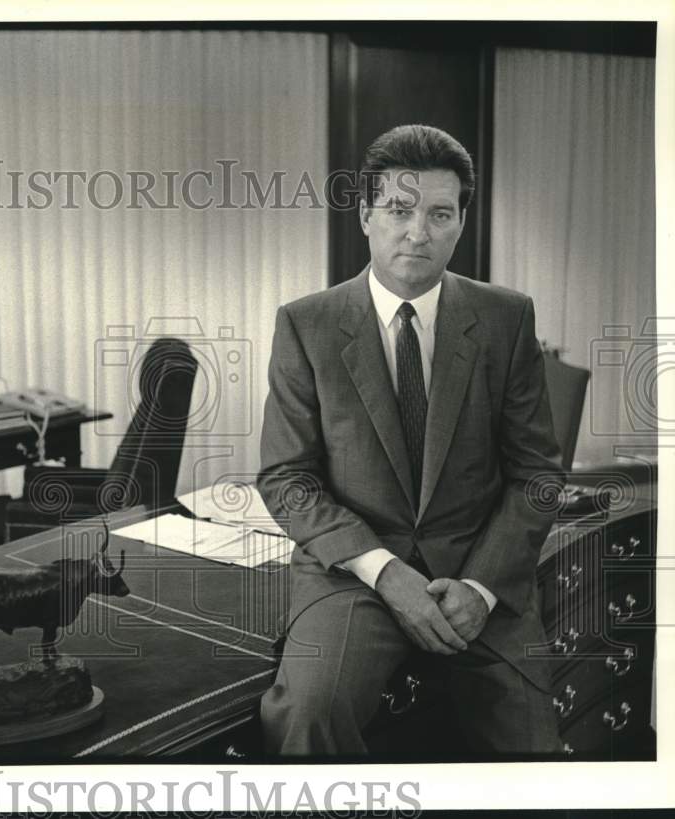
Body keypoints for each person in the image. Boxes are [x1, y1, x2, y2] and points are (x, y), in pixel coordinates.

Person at [257, 124, 564, 756]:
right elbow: (287, 477)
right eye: (398, 209)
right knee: (309, 716)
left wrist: (481, 589)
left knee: (532, 749)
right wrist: (385, 571)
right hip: (355, 576)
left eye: (439, 214)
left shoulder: (508, 318)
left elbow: (537, 475)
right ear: (365, 214)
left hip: (476, 569)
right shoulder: (306, 324)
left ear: (460, 223)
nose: (417, 232)